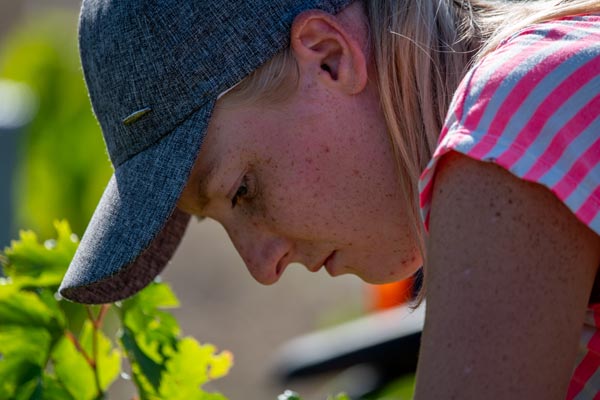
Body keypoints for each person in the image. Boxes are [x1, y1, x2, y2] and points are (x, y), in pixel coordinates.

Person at [59, 0, 600, 398]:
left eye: (243, 191)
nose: (262, 267)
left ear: (328, 56)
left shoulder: (511, 120)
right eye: (217, 221)